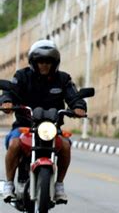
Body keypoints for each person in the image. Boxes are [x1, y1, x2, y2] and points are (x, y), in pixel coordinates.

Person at [1, 39, 87, 203]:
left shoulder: (63, 79)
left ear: (54, 63)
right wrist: (6, 102)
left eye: (48, 61)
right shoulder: (22, 76)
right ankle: (9, 184)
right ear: (34, 62)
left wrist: (79, 107)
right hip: (24, 126)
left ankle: (59, 185)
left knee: (66, 145)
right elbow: (10, 92)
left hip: (52, 128)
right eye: (41, 61)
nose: (44, 65)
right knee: (14, 144)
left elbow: (73, 96)